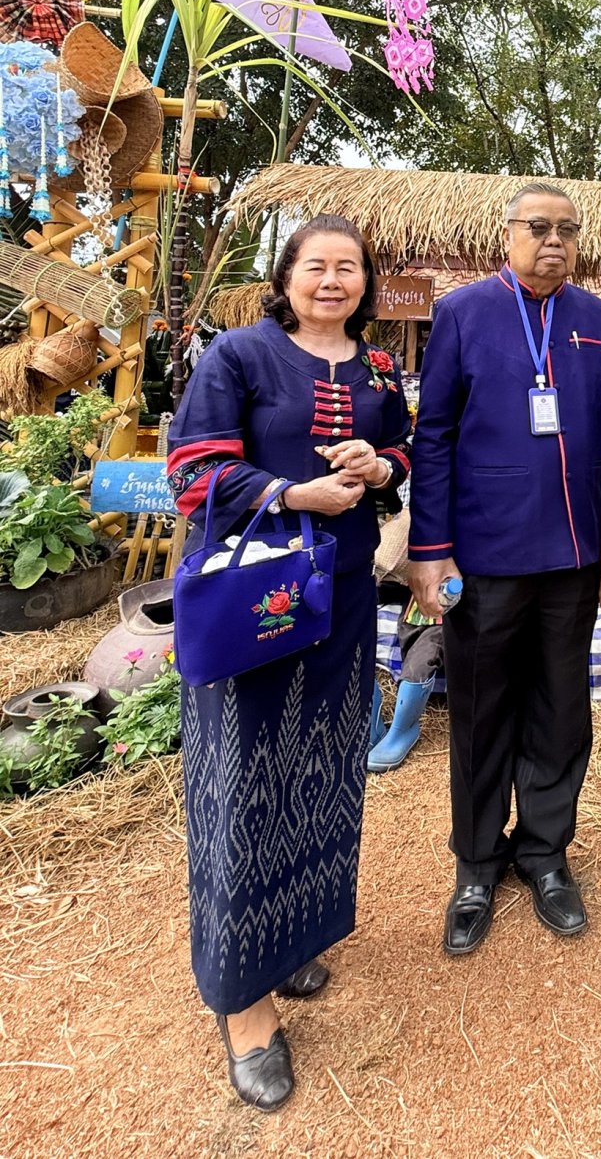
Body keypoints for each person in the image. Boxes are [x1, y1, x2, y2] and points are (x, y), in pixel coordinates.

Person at [166, 216, 410, 1111]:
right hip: (255, 601)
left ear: (366, 282)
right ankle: (244, 1004)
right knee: (245, 779)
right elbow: (190, 469)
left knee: (323, 766)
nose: (333, 281)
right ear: (285, 277)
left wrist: (378, 467)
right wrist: (286, 492)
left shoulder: (378, 366)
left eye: (350, 268)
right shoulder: (239, 355)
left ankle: (292, 938)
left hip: (340, 597)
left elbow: (407, 451)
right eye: (317, 266)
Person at [407, 182, 601, 955]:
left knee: (561, 710)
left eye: (567, 228)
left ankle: (544, 852)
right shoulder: (464, 311)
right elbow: (433, 436)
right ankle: (476, 863)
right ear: (508, 234)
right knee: (481, 709)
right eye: (538, 226)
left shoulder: (596, 318)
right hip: (486, 552)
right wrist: (429, 549)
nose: (554, 240)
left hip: (572, 553)